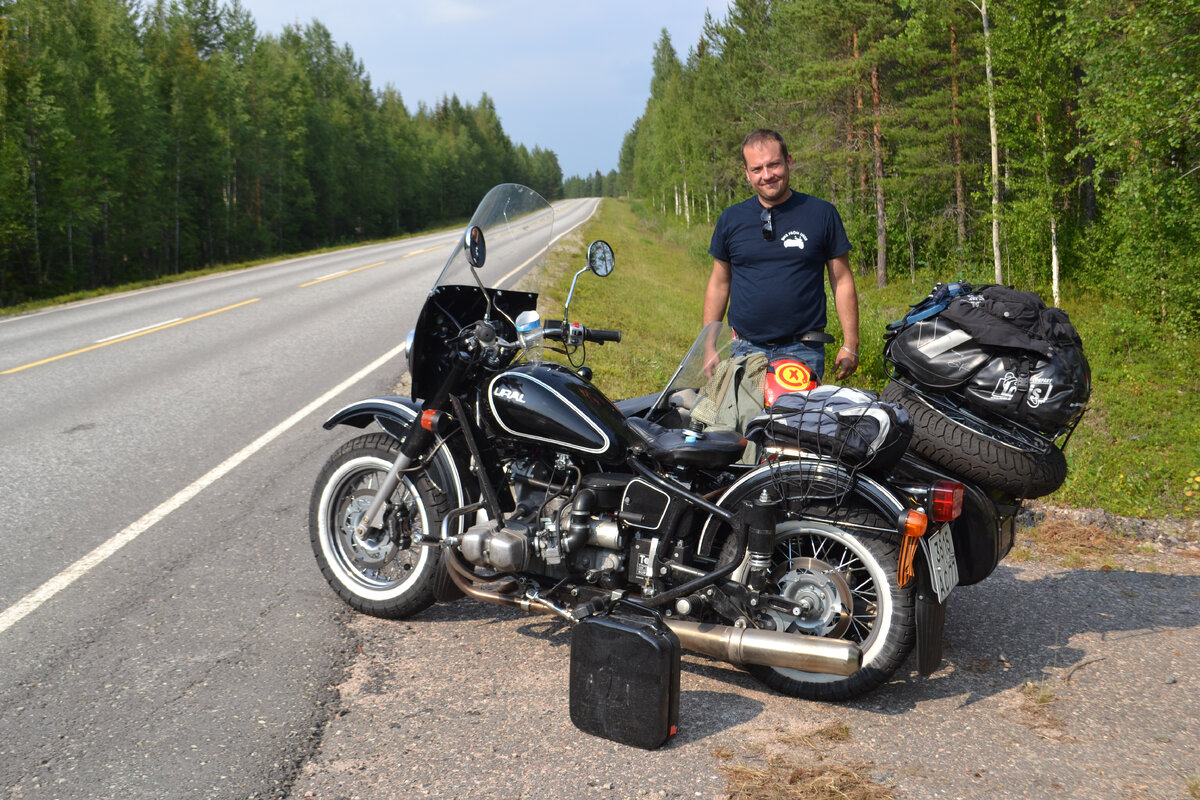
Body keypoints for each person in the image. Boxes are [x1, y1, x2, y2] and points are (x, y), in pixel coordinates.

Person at [703, 129, 859, 381]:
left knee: (796, 421)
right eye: (757, 169)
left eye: (774, 164)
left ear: (788, 161)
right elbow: (719, 283)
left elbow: (841, 280)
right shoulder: (731, 220)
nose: (767, 175)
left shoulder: (821, 214)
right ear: (746, 173)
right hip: (744, 350)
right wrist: (709, 346)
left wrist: (851, 343)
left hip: (802, 351)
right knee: (743, 421)